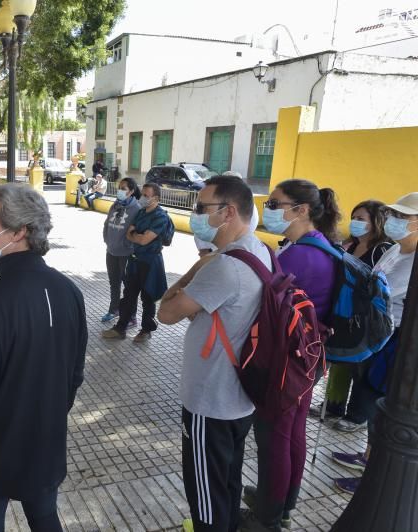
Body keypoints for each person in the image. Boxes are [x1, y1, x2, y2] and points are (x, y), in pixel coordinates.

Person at [0, 184, 87, 531]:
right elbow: (74, 377)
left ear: (19, 232)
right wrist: (46, 419)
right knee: (44, 518)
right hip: (47, 448)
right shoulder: (70, 292)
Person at [157, 176, 265, 532]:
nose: (196, 214)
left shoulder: (223, 266)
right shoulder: (261, 251)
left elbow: (166, 313)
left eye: (202, 207)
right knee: (227, 481)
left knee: (205, 496)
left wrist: (194, 270)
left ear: (229, 212)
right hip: (242, 396)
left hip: (211, 401)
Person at [242, 179, 341, 531]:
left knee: (273, 436)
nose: (268, 210)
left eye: (275, 203)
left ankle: (266, 517)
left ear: (301, 210)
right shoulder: (324, 247)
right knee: (293, 430)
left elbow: (263, 302)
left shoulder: (300, 254)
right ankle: (283, 502)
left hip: (288, 358)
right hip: (310, 355)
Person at [331, 192, 418, 495]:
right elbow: (373, 279)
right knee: (370, 393)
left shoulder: (414, 260)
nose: (394, 221)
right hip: (378, 333)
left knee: (381, 401)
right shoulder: (396, 250)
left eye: (403, 217)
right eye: (394, 215)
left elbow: (382, 291)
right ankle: (367, 457)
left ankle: (373, 474)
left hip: (398, 340)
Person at [311, 200, 392, 429]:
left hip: (365, 316)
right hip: (343, 311)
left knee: (362, 367)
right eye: (354, 218)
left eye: (361, 219)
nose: (355, 223)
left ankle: (357, 416)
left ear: (376, 223)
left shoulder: (381, 249)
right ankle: (333, 405)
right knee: (340, 360)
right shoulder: (350, 245)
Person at [102, 183, 171, 343]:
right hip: (135, 260)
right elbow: (129, 234)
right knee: (129, 295)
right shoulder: (140, 213)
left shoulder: (160, 216)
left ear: (156, 198)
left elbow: (145, 239)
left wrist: (138, 235)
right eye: (143, 195)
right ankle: (120, 328)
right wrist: (138, 236)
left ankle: (146, 330)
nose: (143, 198)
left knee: (148, 296)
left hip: (151, 262)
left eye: (147, 196)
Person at [101, 177, 141, 323]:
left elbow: (136, 231)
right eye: (119, 187)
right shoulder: (115, 205)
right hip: (111, 251)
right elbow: (107, 224)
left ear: (131, 191)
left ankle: (131, 316)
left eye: (123, 188)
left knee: (129, 286)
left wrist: (127, 245)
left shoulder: (136, 209)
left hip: (126, 253)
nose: (120, 191)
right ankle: (114, 310)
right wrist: (107, 239)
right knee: (114, 283)